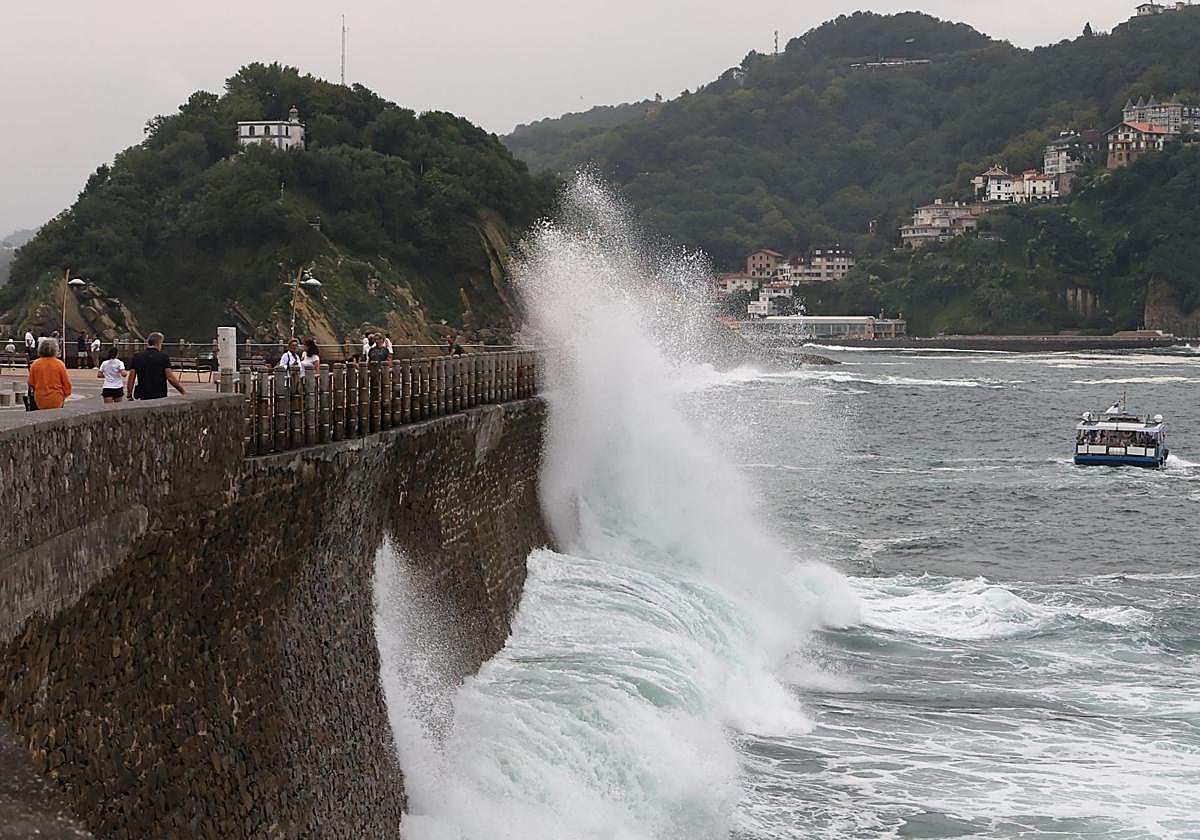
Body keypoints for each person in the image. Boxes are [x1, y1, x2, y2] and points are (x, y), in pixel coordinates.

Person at [127, 332, 186, 400]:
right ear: (159, 343)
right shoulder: (163, 357)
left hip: (143, 393)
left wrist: (129, 395)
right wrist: (182, 391)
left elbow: (131, 378)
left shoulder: (137, 357)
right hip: (159, 393)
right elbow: (170, 378)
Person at [27, 337, 72, 409]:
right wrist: (64, 395)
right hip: (56, 398)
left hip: (40, 399)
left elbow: (31, 382)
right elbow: (67, 385)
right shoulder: (59, 364)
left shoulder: (35, 364)